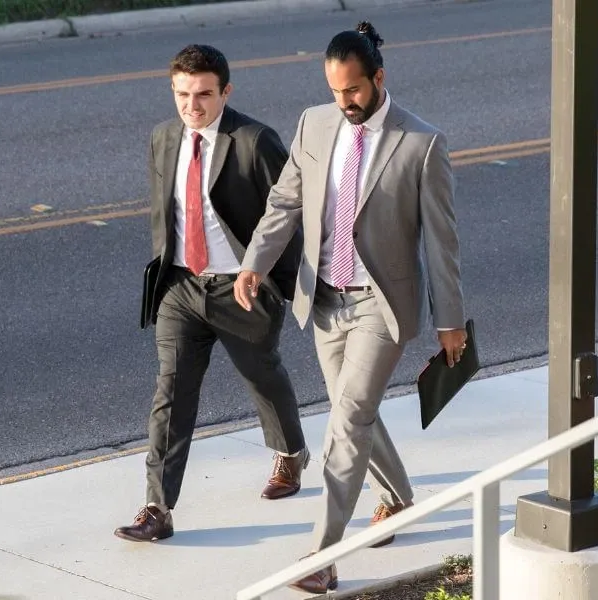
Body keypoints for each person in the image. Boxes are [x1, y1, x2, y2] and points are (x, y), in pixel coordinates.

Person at [233, 22, 467, 593]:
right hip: (324, 301)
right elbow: (286, 200)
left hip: (380, 307)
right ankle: (398, 495)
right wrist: (255, 262)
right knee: (350, 409)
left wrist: (450, 320)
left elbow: (442, 239)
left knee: (349, 418)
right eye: (336, 91)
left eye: (354, 91)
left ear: (379, 78)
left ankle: (322, 556)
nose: (345, 103)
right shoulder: (315, 124)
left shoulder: (421, 142)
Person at [116, 44, 310, 543]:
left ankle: (290, 452)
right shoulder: (163, 138)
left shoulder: (254, 140)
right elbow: (166, 214)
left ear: (226, 91)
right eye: (183, 94)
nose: (192, 106)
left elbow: (290, 213)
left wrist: (275, 283)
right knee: (172, 394)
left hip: (241, 288)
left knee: (261, 376)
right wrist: (163, 277)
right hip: (181, 287)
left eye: (204, 94)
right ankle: (157, 507)